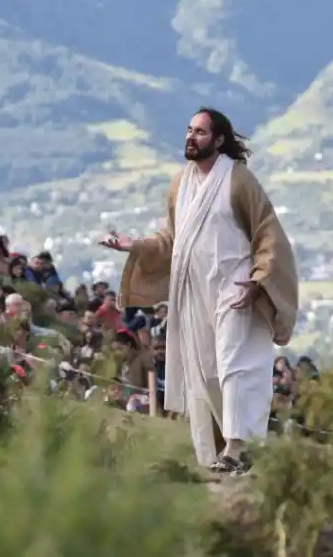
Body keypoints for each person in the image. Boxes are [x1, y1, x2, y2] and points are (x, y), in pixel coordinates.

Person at [98, 107, 298, 475]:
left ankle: (237, 448)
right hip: (193, 291)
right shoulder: (180, 184)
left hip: (235, 287)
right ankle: (231, 447)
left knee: (235, 365)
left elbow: (268, 234)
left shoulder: (238, 181)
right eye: (189, 130)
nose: (191, 137)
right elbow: (172, 238)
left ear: (219, 140)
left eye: (200, 132)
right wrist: (134, 245)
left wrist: (257, 281)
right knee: (206, 372)